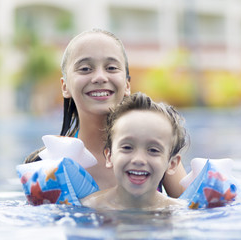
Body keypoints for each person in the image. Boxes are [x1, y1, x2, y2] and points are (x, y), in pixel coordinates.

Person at [24, 29, 187, 197]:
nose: (100, 77)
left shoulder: (156, 150)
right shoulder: (47, 163)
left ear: (127, 84)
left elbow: (190, 210)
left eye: (111, 68)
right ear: (65, 87)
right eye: (86, 69)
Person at [81, 92, 188, 210]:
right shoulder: (89, 207)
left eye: (153, 150)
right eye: (127, 147)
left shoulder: (179, 211)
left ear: (172, 164)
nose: (138, 160)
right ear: (109, 156)